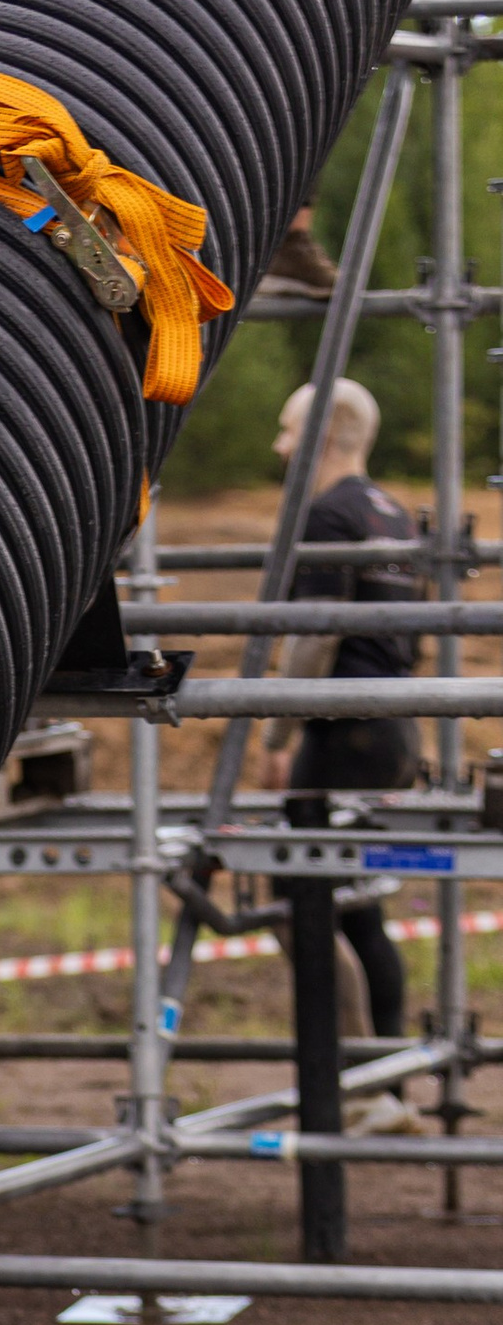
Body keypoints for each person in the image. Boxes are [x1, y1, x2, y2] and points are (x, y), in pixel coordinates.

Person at [261, 376, 425, 1038]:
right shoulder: (391, 511)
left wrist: (274, 736)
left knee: (299, 899)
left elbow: (315, 636)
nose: (279, 446)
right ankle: (382, 1085)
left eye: (288, 430)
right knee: (358, 909)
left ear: (322, 437)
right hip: (392, 731)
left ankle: (351, 1079)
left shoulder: (326, 513)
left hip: (342, 735)